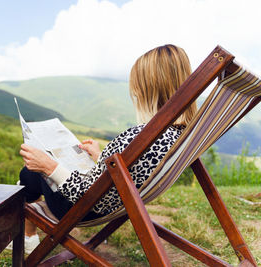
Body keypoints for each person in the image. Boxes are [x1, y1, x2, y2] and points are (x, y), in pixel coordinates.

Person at [16, 44, 197, 254]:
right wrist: (102, 156)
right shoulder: (180, 132)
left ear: (147, 88)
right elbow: (135, 169)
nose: (134, 91)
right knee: (38, 168)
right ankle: (27, 230)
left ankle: (28, 235)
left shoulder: (141, 135)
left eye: (136, 85)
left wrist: (49, 166)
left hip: (84, 208)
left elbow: (87, 194)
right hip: (120, 200)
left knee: (31, 171)